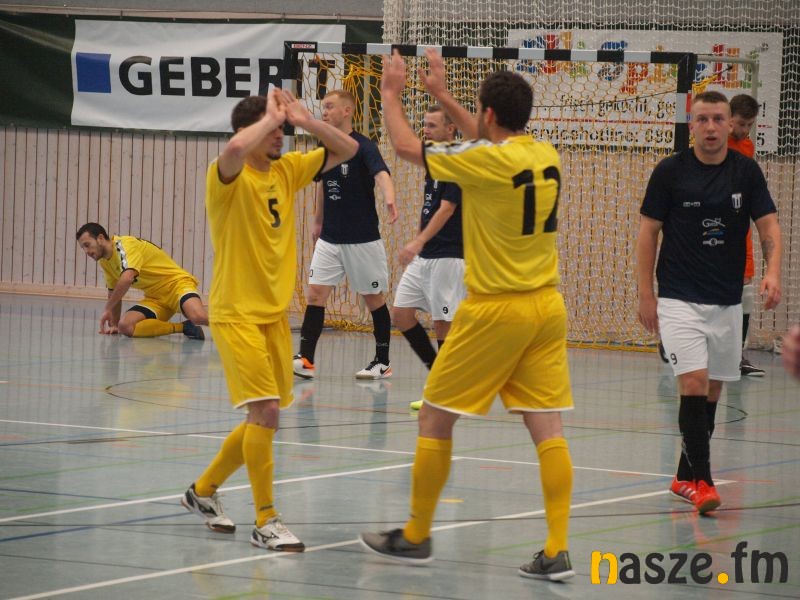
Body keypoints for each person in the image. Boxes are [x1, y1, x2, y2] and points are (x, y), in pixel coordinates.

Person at [360, 49, 575, 582]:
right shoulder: (543, 152)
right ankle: (556, 548)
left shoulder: (483, 161)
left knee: (434, 418)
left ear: (490, 114)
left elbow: (407, 146)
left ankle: (416, 536)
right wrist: (440, 95)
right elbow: (486, 136)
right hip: (547, 307)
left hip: (497, 308)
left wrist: (391, 94)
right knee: (547, 427)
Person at [180, 88, 358, 551]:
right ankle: (266, 520)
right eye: (274, 129)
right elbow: (236, 147)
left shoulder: (286, 170)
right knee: (266, 411)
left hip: (273, 316)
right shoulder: (226, 176)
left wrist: (304, 118)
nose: (281, 135)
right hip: (236, 312)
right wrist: (270, 115)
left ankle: (203, 491)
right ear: (251, 130)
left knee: (265, 417)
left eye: (283, 129)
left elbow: (348, 148)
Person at [637, 90, 781, 515]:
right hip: (678, 298)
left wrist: (772, 271)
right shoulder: (670, 172)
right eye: (703, 119)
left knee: (714, 388)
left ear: (729, 122)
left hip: (726, 300)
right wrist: (646, 294)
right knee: (694, 383)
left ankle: (683, 477)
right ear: (692, 124)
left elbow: (768, 226)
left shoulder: (746, 171)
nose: (712, 127)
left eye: (719, 119)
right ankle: (703, 481)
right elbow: (647, 233)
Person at [292, 89, 399, 381]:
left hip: (362, 239)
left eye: (330, 107)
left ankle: (382, 362)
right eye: (323, 107)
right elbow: (321, 184)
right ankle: (306, 359)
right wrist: (317, 221)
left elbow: (382, 174)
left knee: (373, 298)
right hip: (330, 238)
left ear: (347, 111)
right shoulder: (325, 146)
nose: (324, 112)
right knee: (315, 294)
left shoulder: (364, 146)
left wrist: (390, 197)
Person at [392, 105, 465, 411]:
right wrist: (419, 242)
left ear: (451, 129)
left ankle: (443, 391)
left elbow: (447, 208)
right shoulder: (434, 162)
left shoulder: (457, 160)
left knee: (442, 323)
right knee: (401, 314)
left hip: (448, 254)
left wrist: (418, 241)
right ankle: (440, 379)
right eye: (424, 125)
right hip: (426, 255)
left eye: (432, 125)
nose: (426, 130)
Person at [76, 223, 207, 339]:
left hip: (176, 285)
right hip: (155, 298)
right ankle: (184, 327)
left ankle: (221, 325)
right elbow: (113, 291)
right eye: (83, 248)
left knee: (198, 316)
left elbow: (127, 278)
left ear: (100, 238)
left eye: (87, 245)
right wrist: (114, 324)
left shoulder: (124, 246)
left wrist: (107, 308)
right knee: (125, 326)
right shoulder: (105, 262)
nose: (86, 251)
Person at [728, 94, 764, 377]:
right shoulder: (715, 141)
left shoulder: (748, 147)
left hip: (741, 226)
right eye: (741, 124)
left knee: (746, 290)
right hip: (714, 226)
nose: (744, 130)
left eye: (749, 125)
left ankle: (737, 355)